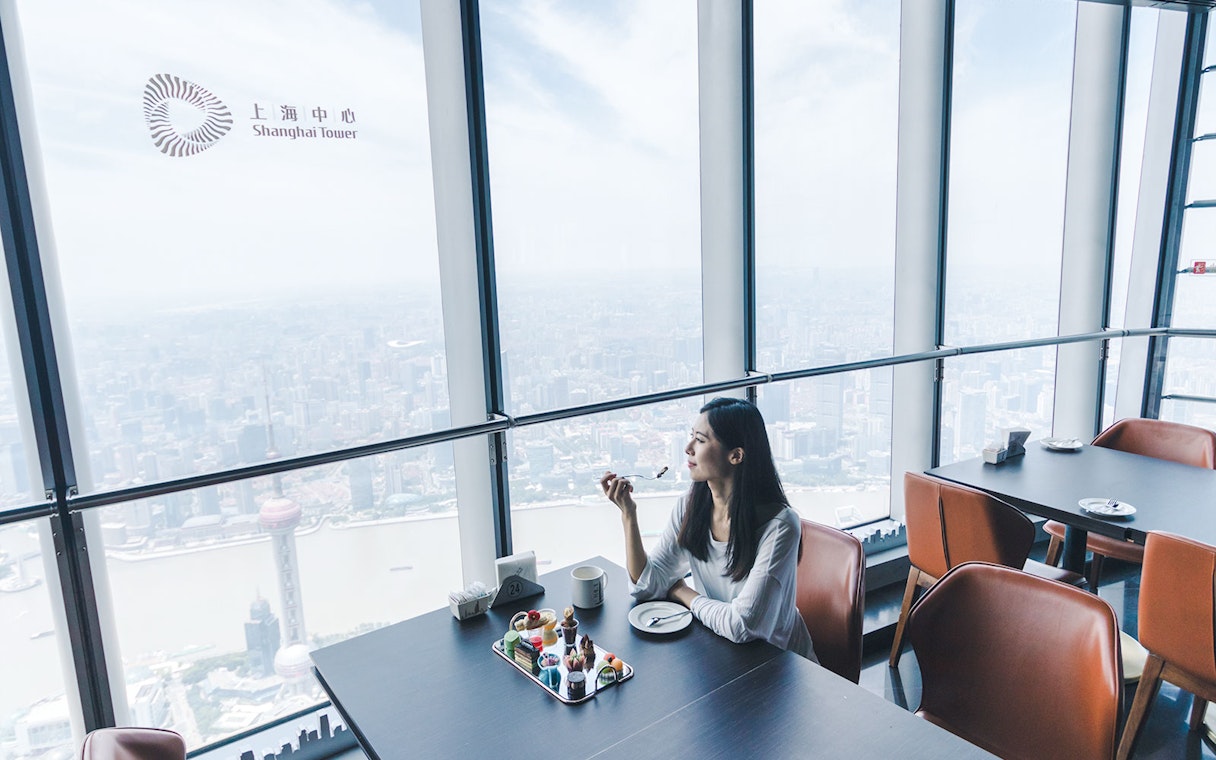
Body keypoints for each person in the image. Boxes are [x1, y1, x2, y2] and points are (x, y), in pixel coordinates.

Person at [600, 396, 816, 661]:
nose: (688, 448)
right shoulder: (691, 507)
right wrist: (629, 516)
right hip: (721, 651)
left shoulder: (780, 527)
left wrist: (681, 591)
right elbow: (646, 587)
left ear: (736, 455)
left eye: (700, 440)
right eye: (691, 436)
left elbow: (743, 626)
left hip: (778, 664)